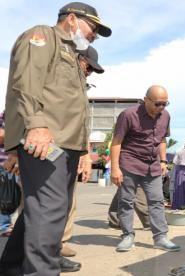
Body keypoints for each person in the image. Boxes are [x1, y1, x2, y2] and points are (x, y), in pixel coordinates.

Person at [0, 2, 111, 275]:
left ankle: (11, 266)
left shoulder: (74, 55)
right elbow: (25, 82)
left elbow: (74, 108)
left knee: (43, 210)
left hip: (68, 146)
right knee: (49, 211)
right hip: (46, 142)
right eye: (93, 27)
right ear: (72, 19)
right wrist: (36, 126)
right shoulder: (42, 36)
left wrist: (84, 151)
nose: (95, 34)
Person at [110, 85, 180, 252]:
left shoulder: (165, 116)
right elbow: (117, 141)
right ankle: (127, 236)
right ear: (146, 99)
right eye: (157, 103)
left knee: (157, 201)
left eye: (165, 103)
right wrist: (115, 168)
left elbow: (162, 139)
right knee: (126, 201)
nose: (161, 107)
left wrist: (163, 161)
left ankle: (161, 237)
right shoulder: (128, 115)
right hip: (130, 163)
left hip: (153, 165)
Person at [61, 45, 104, 259]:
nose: (89, 72)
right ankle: (36, 252)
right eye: (88, 66)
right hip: (47, 149)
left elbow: (82, 124)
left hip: (72, 151)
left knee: (69, 201)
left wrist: (85, 155)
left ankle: (59, 245)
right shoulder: (54, 77)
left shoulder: (82, 87)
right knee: (41, 204)